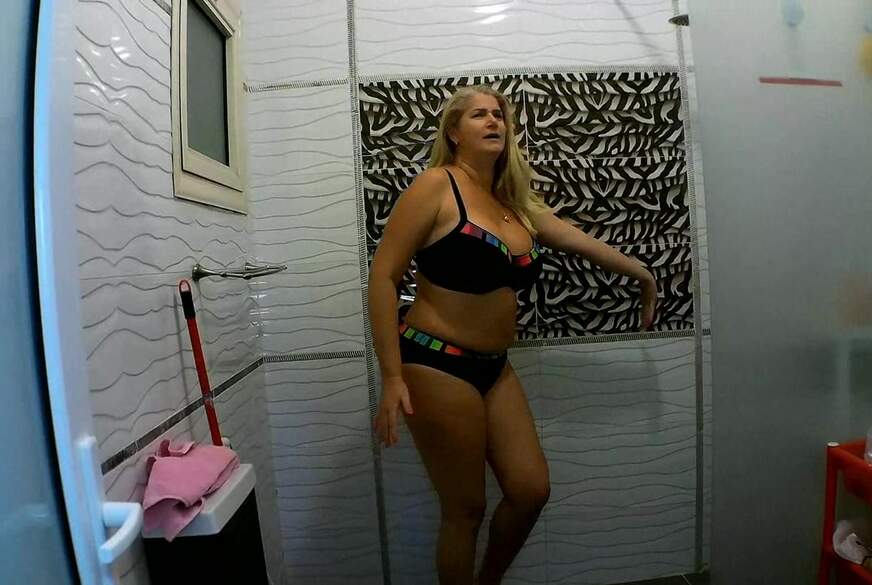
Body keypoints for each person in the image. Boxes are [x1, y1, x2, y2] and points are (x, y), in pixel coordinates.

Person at [369, 85, 657, 585]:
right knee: (465, 510)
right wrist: (392, 375)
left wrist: (643, 276)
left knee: (530, 490)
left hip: (494, 366)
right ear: (454, 132)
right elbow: (383, 276)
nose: (493, 121)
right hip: (435, 361)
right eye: (479, 114)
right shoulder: (436, 185)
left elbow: (574, 239)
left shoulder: (513, 202)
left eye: (499, 114)